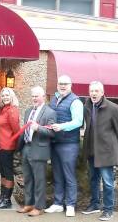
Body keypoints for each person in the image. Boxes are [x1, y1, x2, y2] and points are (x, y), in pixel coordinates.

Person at [82, 81, 118, 221]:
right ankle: (94, 205)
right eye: (91, 91)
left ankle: (108, 210)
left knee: (107, 182)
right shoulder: (87, 106)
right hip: (91, 151)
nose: (93, 93)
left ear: (102, 92)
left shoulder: (113, 108)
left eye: (96, 91)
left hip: (106, 152)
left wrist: (115, 148)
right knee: (93, 179)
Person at [45, 75, 83, 217]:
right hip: (55, 143)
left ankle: (71, 204)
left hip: (69, 144)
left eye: (65, 84)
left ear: (70, 85)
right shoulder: (54, 99)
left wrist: (61, 126)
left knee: (69, 175)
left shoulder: (75, 101)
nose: (62, 86)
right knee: (57, 174)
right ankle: (58, 203)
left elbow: (78, 121)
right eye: (60, 83)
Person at [16, 86, 56, 216]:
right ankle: (29, 204)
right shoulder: (28, 111)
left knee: (39, 180)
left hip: (39, 150)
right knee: (28, 179)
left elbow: (52, 132)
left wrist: (38, 128)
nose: (34, 98)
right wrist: (18, 147)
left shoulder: (50, 112)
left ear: (43, 97)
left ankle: (39, 207)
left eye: (36, 96)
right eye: (32, 96)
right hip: (26, 148)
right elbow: (25, 130)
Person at [0, 81, 20, 209]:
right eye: (3, 95)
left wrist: (15, 146)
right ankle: (2, 198)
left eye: (7, 95)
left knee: (7, 174)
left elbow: (17, 131)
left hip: (7, 147)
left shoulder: (12, 110)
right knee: (3, 173)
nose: (4, 97)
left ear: (12, 96)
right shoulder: (3, 109)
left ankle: (7, 200)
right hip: (0, 146)